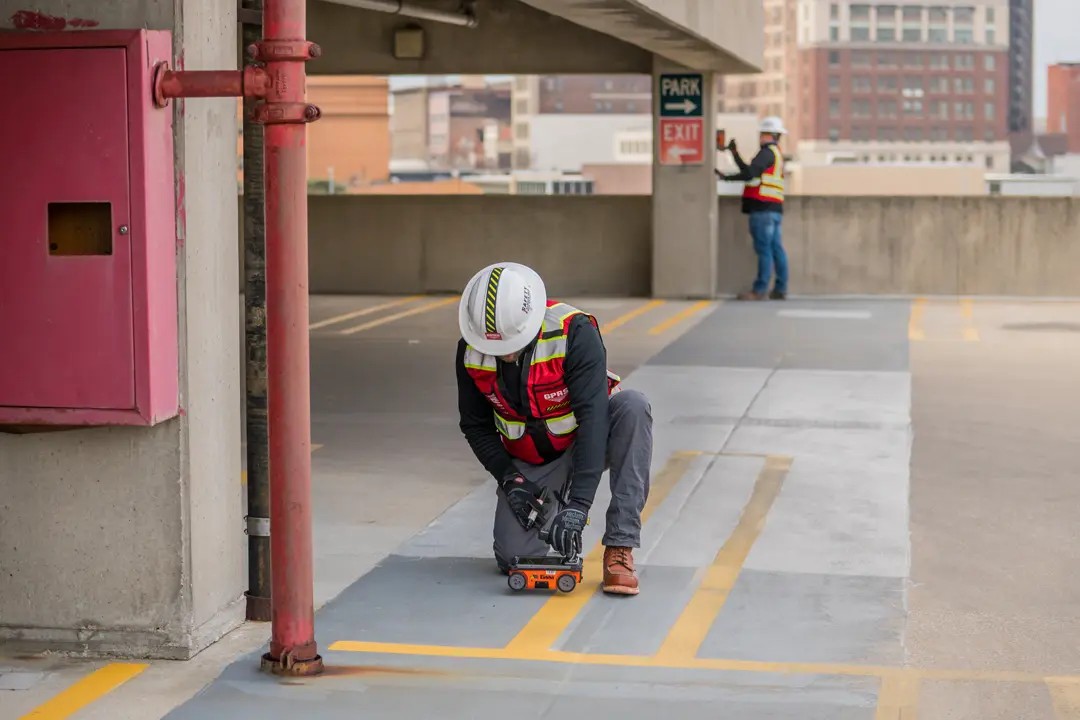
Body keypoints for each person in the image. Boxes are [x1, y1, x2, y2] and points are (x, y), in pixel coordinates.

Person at [455, 262, 653, 595]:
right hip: (535, 460)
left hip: (589, 439)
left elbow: (593, 419)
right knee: (513, 557)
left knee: (633, 406)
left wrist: (580, 505)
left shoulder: (573, 331)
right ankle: (551, 503)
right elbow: (475, 425)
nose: (504, 355)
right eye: (496, 349)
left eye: (510, 345)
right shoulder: (470, 348)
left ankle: (620, 545)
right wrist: (510, 479)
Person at [717, 115, 788, 301]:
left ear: (769, 135)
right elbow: (753, 173)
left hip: (762, 210)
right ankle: (780, 288)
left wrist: (726, 178)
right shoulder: (777, 154)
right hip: (774, 209)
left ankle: (759, 290)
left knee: (764, 250)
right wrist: (734, 154)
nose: (760, 137)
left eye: (762, 133)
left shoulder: (766, 153)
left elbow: (749, 174)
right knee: (776, 249)